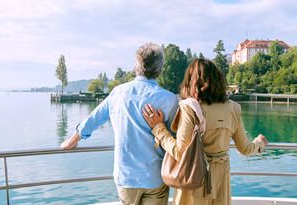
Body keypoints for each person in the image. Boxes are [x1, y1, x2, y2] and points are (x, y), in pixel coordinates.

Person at [61, 43, 178, 205]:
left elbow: (95, 118)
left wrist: (73, 140)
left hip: (126, 176)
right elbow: (175, 139)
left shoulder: (118, 92)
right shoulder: (169, 99)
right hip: (156, 176)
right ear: (159, 68)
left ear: (137, 66)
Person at [142, 59, 268, 205]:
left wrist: (159, 129)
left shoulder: (190, 108)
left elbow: (180, 152)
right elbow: (245, 148)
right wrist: (259, 143)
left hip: (194, 177)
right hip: (221, 179)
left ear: (191, 81)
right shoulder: (233, 108)